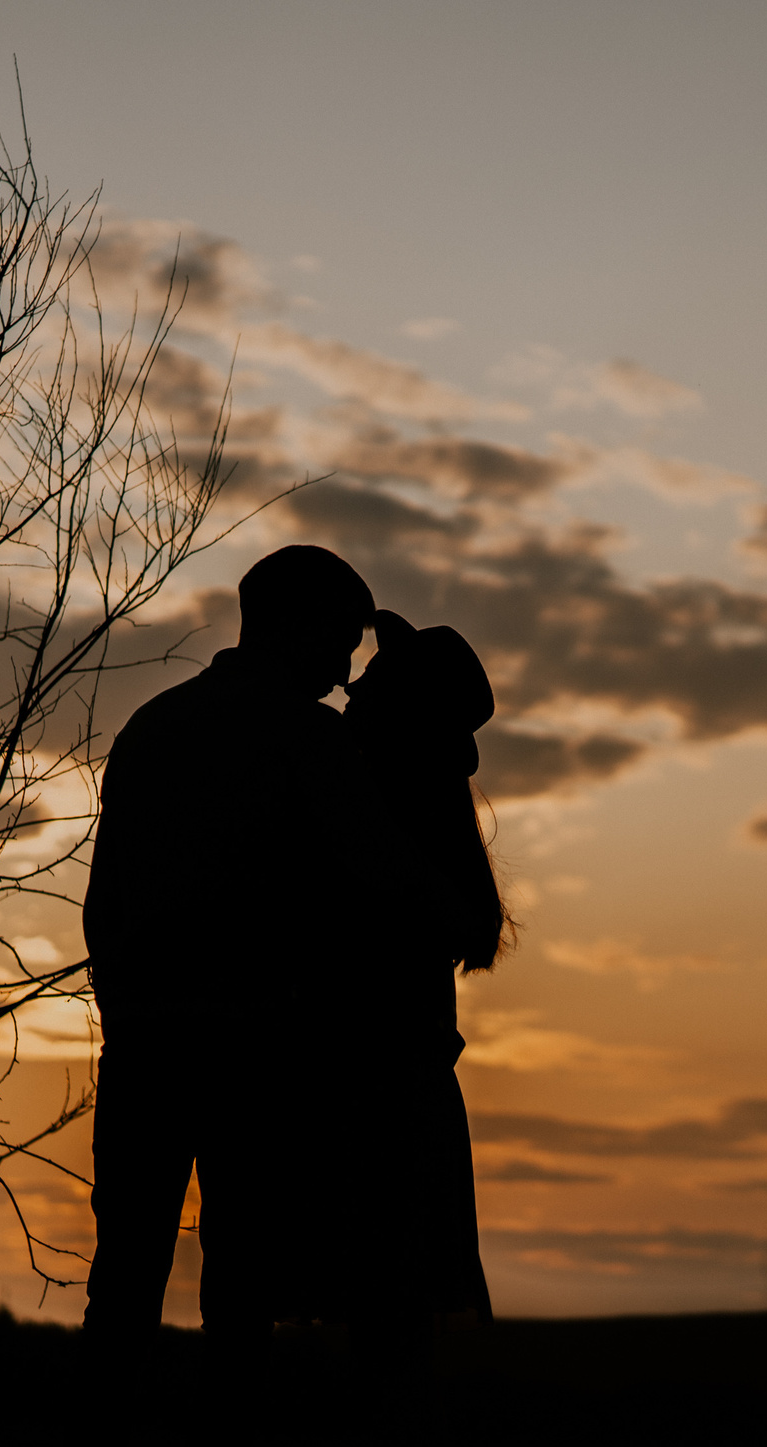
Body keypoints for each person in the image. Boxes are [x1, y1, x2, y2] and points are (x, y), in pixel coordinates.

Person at [80, 544, 379, 1355]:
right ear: (295, 626)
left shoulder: (156, 724)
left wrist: (129, 1014)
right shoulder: (312, 741)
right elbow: (363, 887)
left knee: (126, 1276)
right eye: (341, 643)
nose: (347, 671)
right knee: (243, 1289)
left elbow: (104, 901)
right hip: (255, 1049)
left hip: (145, 1044)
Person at [340, 610, 507, 1348]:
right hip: (402, 1090)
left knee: (387, 1306)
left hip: (375, 1092)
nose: (353, 690)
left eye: (374, 682)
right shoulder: (417, 814)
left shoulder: (374, 815)